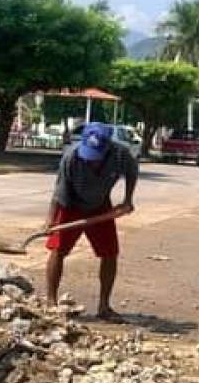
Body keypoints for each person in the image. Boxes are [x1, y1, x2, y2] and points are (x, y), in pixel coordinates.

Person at [44, 121, 137, 321]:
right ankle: (50, 303)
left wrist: (128, 199)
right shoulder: (71, 158)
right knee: (58, 250)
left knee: (110, 253)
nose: (92, 161)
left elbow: (132, 170)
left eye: (96, 157)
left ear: (107, 148)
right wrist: (50, 221)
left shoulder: (120, 154)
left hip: (100, 206)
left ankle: (104, 306)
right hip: (71, 205)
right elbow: (59, 193)